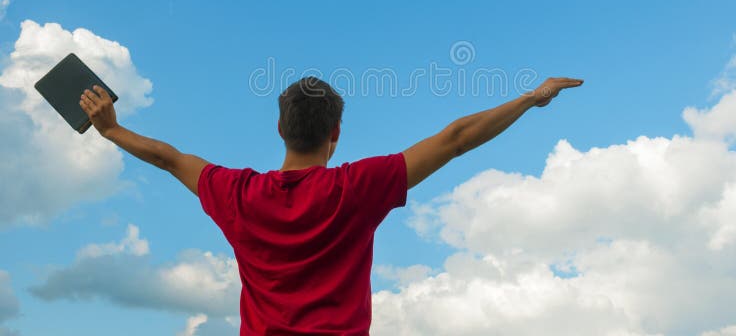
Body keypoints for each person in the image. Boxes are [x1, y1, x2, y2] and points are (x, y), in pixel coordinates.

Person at [79, 75, 583, 335]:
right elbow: (454, 139)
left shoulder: (237, 195)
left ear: (280, 128)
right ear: (336, 134)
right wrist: (530, 99)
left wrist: (111, 129)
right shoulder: (357, 188)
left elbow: (169, 159)